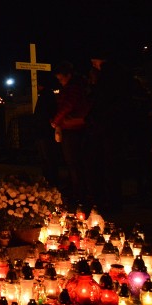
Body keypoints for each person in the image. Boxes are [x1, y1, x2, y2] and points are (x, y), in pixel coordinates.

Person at [85, 50, 135, 213]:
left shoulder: (106, 76)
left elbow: (102, 101)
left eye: (93, 61)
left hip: (107, 127)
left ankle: (111, 202)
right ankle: (113, 200)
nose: (93, 64)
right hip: (115, 125)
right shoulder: (120, 74)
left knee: (107, 165)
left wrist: (92, 119)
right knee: (112, 165)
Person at [50, 61, 91, 207]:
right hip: (71, 126)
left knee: (74, 162)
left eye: (61, 79)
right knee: (74, 163)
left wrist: (55, 121)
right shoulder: (74, 86)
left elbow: (68, 105)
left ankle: (80, 193)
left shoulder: (73, 88)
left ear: (68, 76)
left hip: (73, 127)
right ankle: (78, 191)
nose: (60, 82)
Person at [32, 82, 60, 187]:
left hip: (44, 132)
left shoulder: (45, 96)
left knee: (48, 158)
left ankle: (51, 181)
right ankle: (49, 180)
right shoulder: (46, 95)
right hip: (44, 132)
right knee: (47, 158)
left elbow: (42, 114)